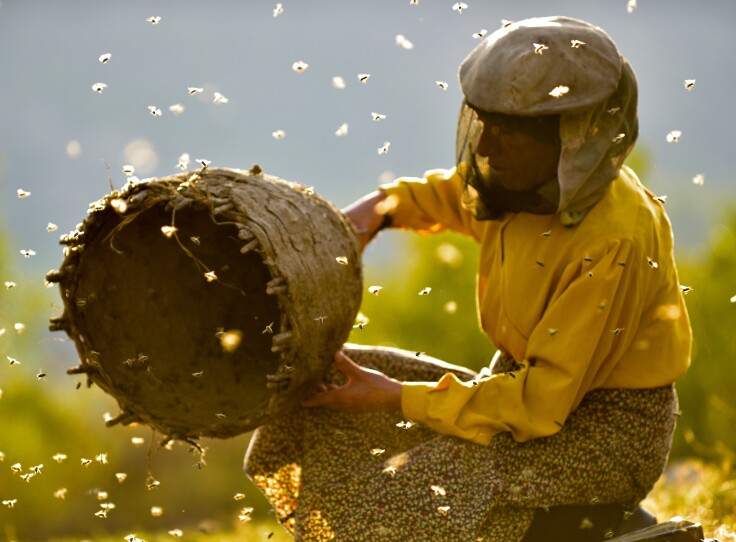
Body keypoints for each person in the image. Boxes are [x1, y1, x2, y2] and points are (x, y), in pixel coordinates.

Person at [244, 16, 692, 542]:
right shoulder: (525, 183)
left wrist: (395, 397)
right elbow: (448, 196)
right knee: (334, 387)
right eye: (484, 126)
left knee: (409, 485)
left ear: (568, 139)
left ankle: (589, 524)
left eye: (506, 135)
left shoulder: (613, 240)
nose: (484, 150)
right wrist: (375, 213)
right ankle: (580, 527)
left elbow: (539, 404)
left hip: (600, 438)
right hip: (522, 401)